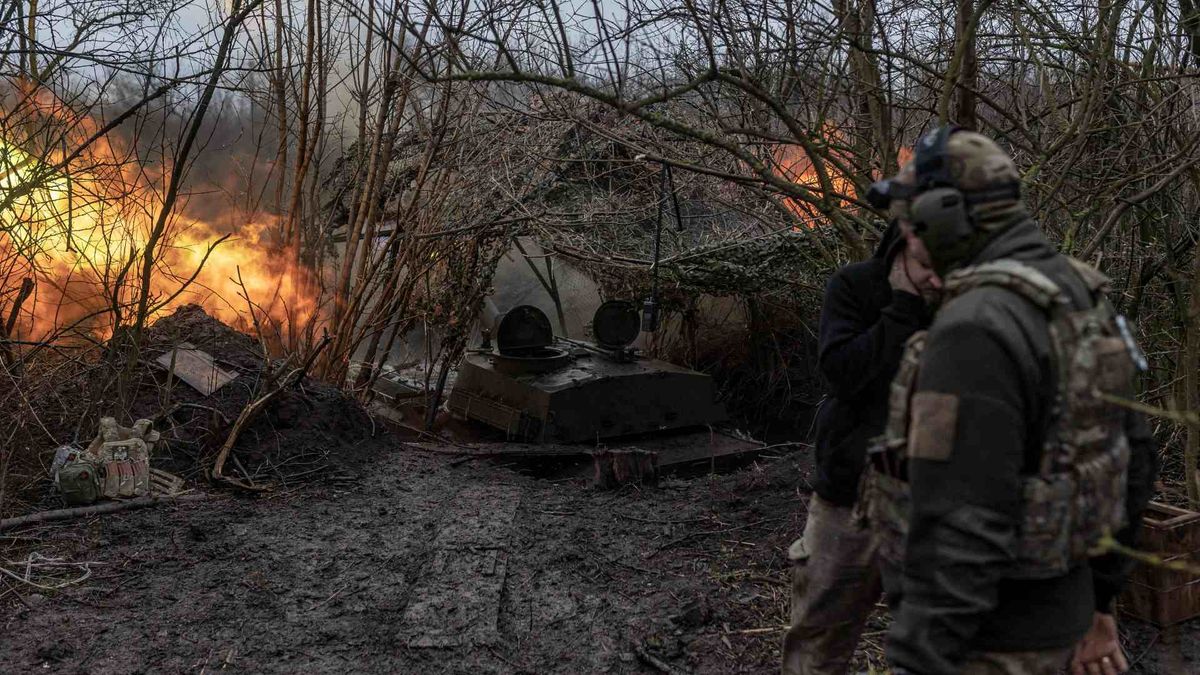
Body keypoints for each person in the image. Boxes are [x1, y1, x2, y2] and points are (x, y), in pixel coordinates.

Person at [863, 126, 1158, 675]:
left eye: (909, 222)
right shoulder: (1079, 294)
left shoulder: (974, 327)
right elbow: (1133, 461)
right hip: (1059, 624)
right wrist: (1098, 600)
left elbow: (962, 523)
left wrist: (919, 657)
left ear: (945, 215)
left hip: (988, 643)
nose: (906, 238)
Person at [781, 162, 941, 675]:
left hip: (932, 510)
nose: (940, 277)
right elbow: (843, 375)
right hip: (846, 504)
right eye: (929, 264)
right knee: (816, 644)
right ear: (905, 239)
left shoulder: (969, 297)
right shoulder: (854, 288)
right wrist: (903, 308)